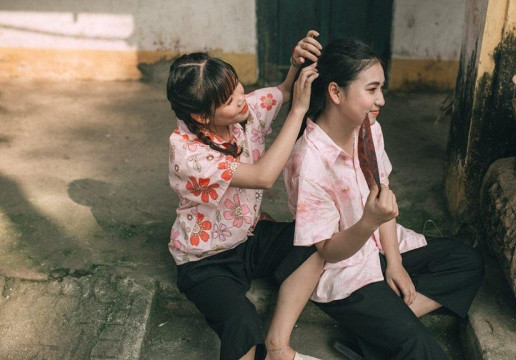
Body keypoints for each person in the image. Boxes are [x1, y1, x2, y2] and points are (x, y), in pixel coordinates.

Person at [283, 38, 485, 360]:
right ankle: (384, 331)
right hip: (344, 271)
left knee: (467, 262)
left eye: (381, 88)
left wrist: (395, 262)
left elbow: (383, 193)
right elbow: (328, 252)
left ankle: (372, 336)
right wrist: (368, 222)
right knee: (421, 348)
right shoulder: (308, 162)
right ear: (335, 92)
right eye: (372, 89)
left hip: (380, 246)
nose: (382, 100)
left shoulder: (369, 128)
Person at [166, 31, 324, 360]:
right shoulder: (188, 153)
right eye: (228, 100)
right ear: (201, 117)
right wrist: (298, 112)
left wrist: (295, 64)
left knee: (318, 239)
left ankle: (279, 346)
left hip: (249, 238)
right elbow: (263, 177)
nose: (241, 98)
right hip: (206, 261)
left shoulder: (243, 112)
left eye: (236, 85)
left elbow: (282, 92)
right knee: (242, 323)